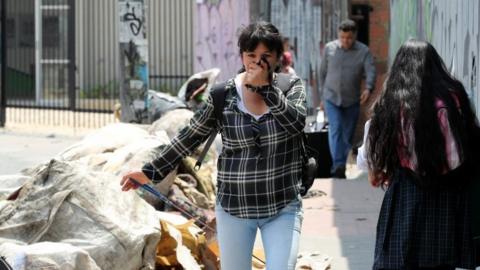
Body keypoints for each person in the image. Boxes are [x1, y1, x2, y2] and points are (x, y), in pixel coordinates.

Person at [121, 21, 306, 270]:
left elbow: (296, 124)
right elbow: (189, 136)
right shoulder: (223, 95)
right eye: (251, 55)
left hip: (282, 206)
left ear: (275, 60)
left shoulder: (290, 88)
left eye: (265, 57)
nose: (257, 63)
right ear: (242, 56)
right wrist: (149, 172)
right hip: (234, 207)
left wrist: (267, 91)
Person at [357, 40, 480, 270]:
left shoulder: (390, 105)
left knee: (401, 260)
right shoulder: (453, 101)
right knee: (442, 263)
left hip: (405, 197)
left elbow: (371, 167)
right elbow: (460, 157)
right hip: (447, 198)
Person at [319, 19, 376, 178]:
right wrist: (322, 97)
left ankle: (339, 164)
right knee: (335, 129)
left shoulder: (363, 51)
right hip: (331, 98)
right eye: (343, 37)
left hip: (352, 100)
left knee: (347, 135)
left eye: (349, 38)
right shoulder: (330, 49)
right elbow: (322, 73)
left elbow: (371, 70)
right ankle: (338, 166)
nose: (346, 41)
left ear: (355, 36)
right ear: (339, 35)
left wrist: (368, 88)